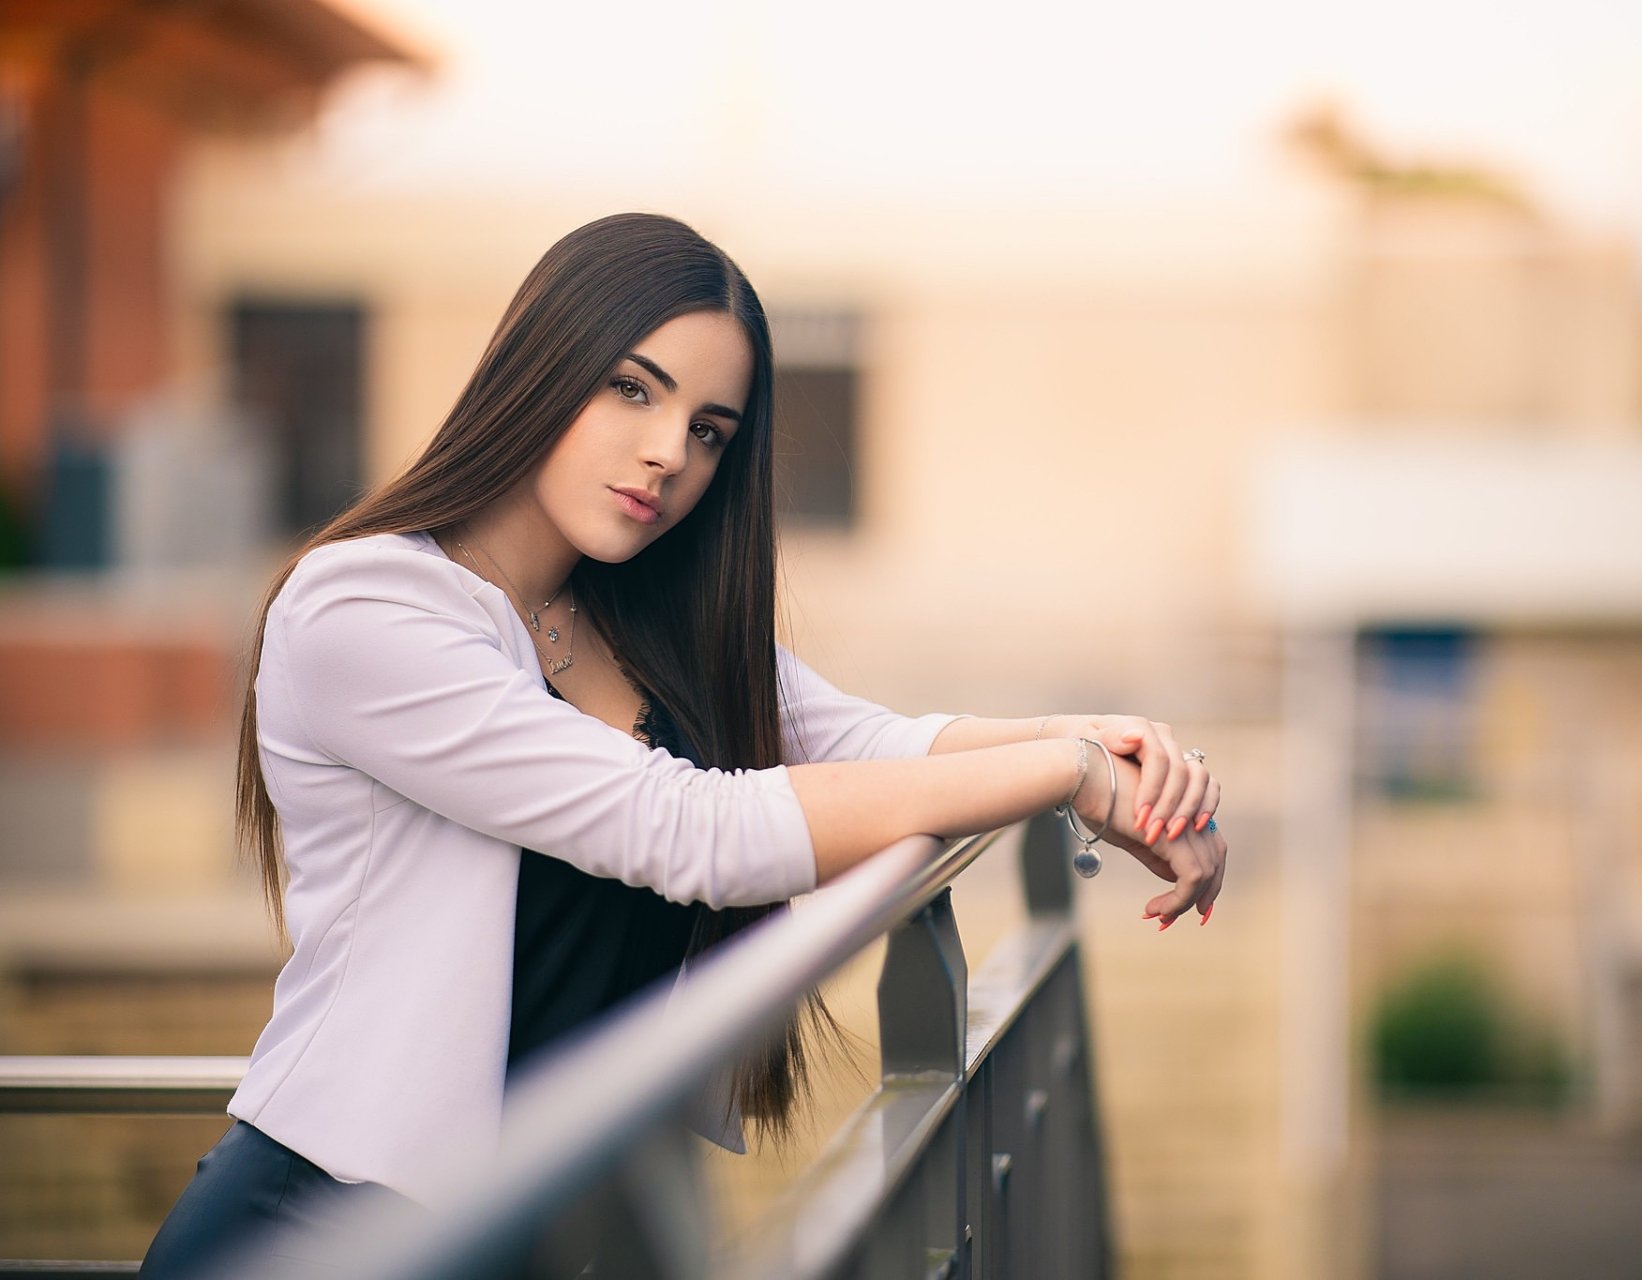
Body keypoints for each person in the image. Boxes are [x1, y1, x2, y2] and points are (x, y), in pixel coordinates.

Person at [137, 212, 1227, 1276]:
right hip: (336, 1227)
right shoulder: (365, 605)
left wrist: (1097, 739)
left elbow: (872, 743)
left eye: (710, 430)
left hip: (559, 1226)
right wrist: (1068, 776)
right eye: (631, 388)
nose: (668, 454)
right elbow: (689, 828)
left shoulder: (638, 615)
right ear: (539, 367)